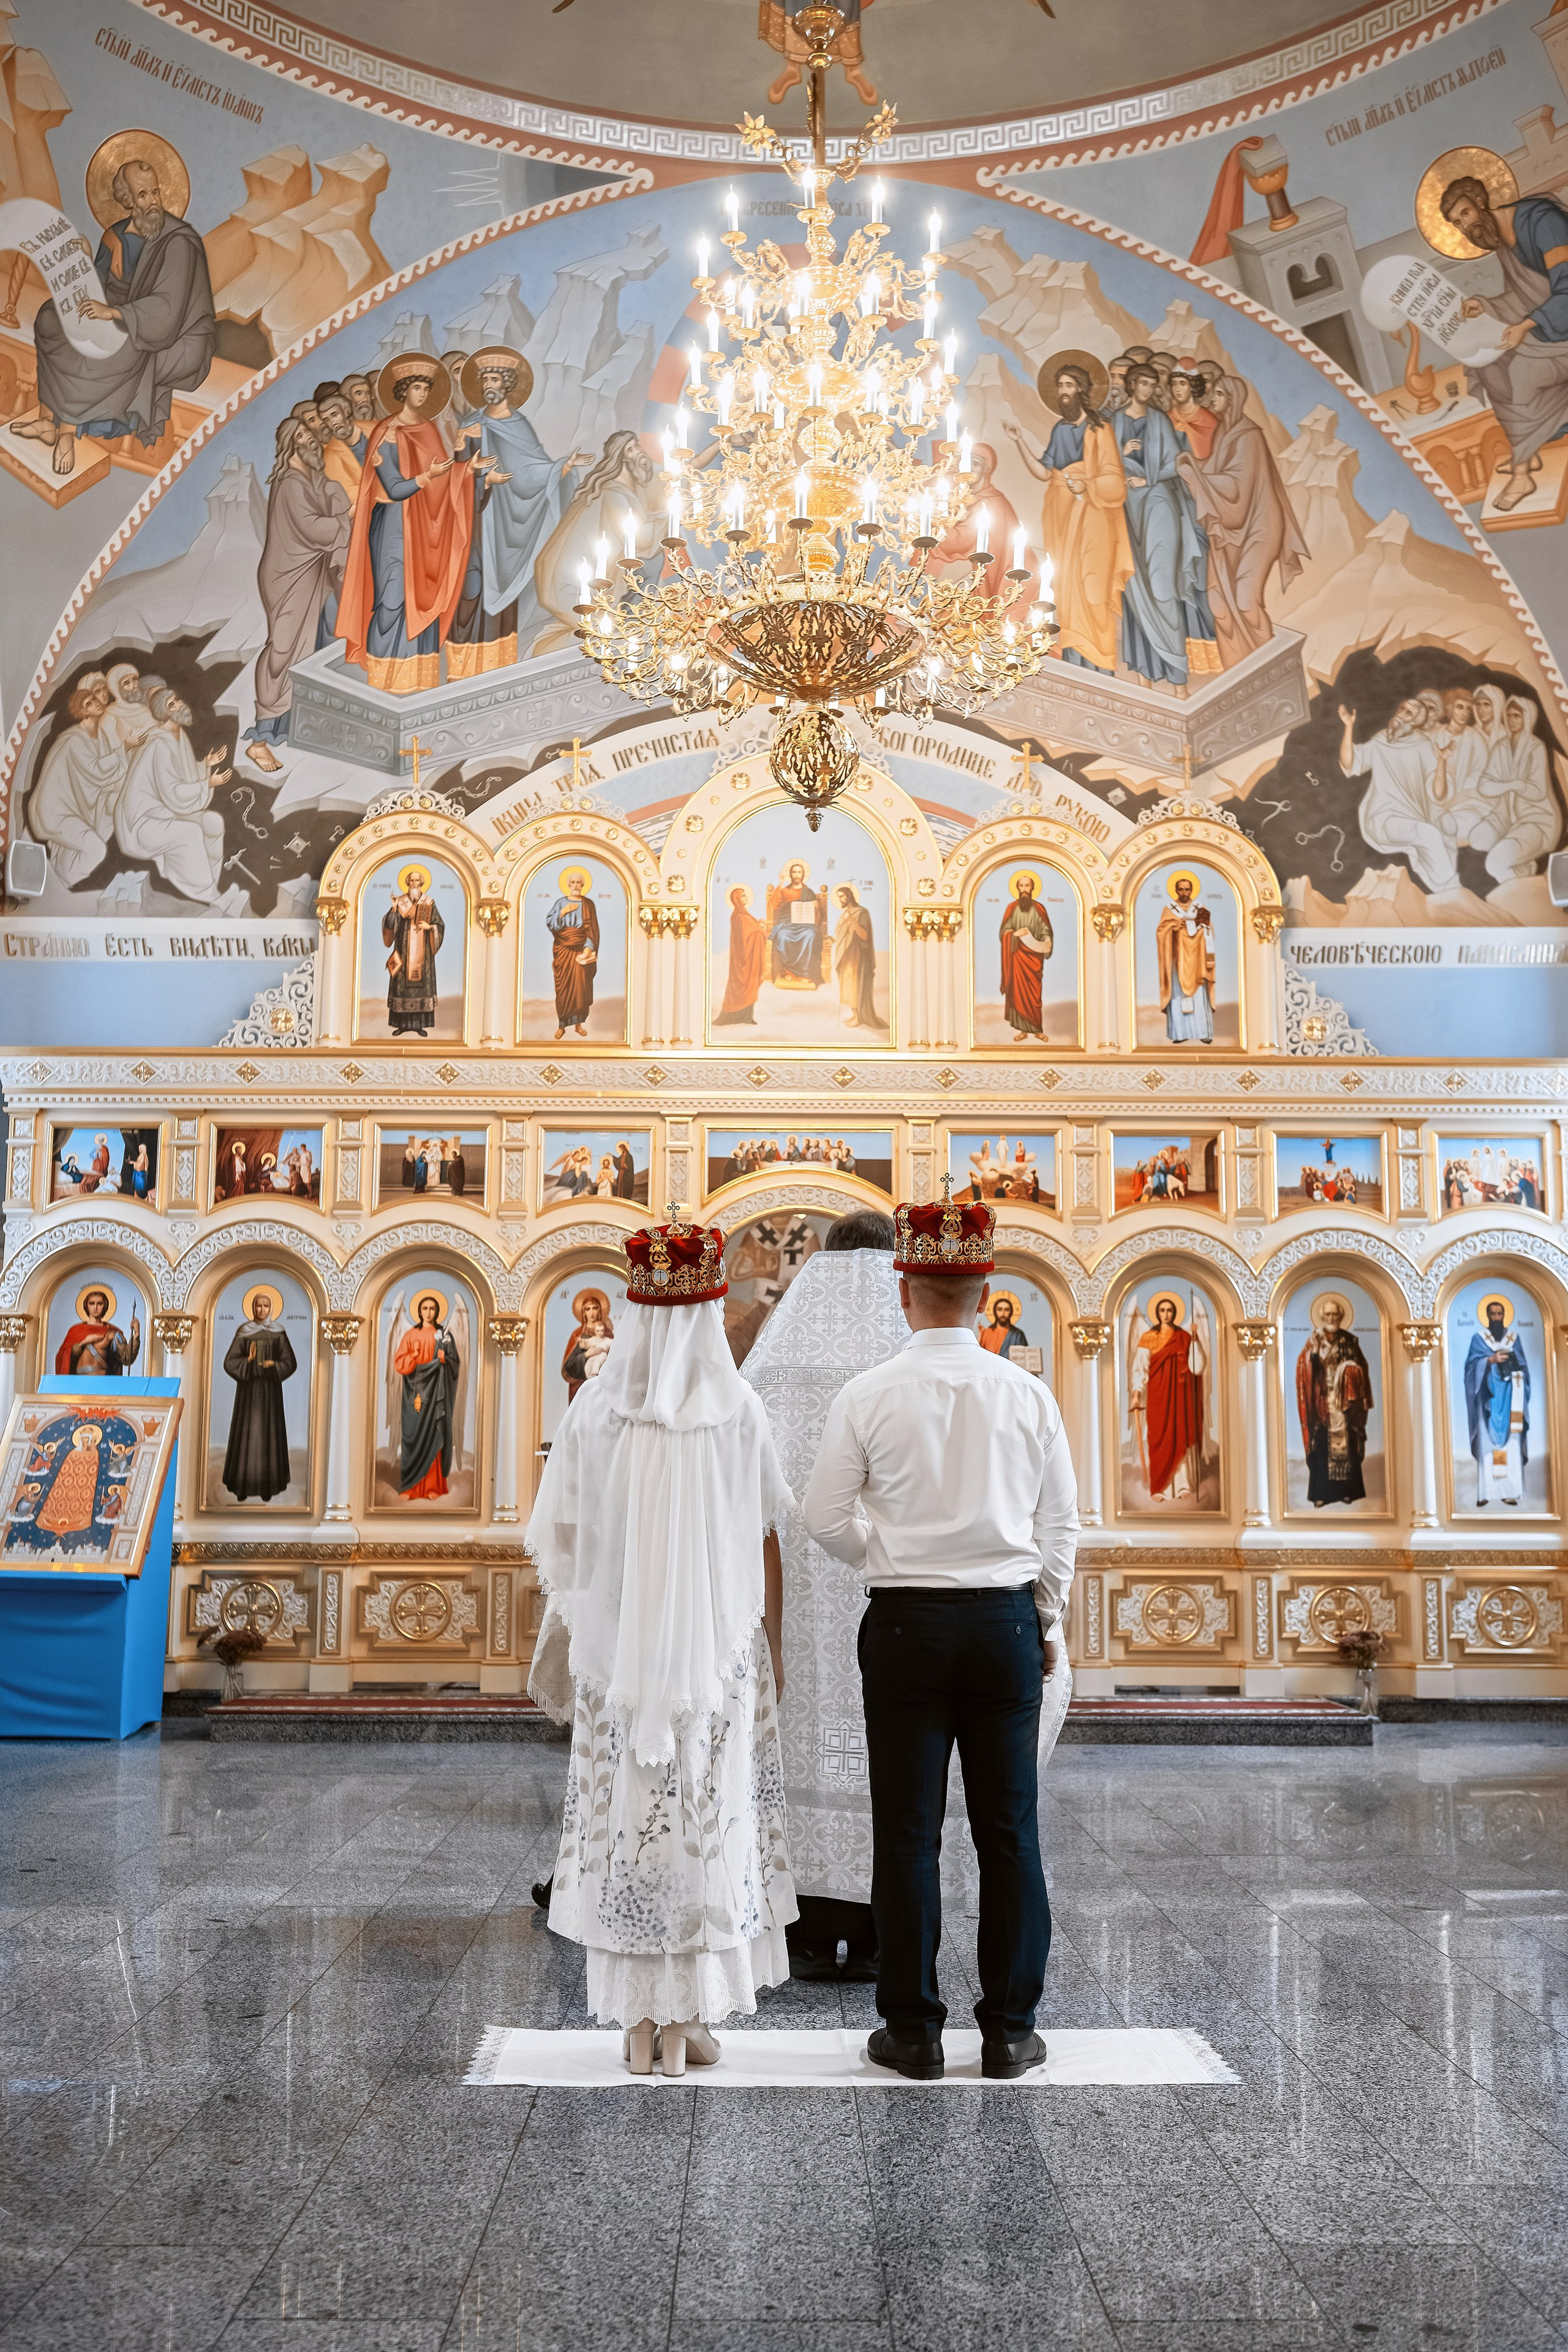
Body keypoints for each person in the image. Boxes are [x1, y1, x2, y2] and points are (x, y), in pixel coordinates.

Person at [804, 1184, 1079, 2081]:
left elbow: (821, 1516)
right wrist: (1044, 1620)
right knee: (1010, 1832)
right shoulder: (1027, 1392)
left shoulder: (868, 1393)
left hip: (906, 1625)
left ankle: (914, 2031)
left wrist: (881, 1551)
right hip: (1003, 1623)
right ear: (985, 1284)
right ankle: (1010, 2031)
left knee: (908, 1832)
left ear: (903, 1290)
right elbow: (1061, 1528)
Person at [527, 1212, 798, 2075]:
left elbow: (561, 1539)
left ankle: (641, 2027)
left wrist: (609, 1611)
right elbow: (763, 1530)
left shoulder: (593, 1413)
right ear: (710, 1316)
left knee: (630, 1824)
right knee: (704, 1821)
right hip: (715, 1662)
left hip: (619, 1662)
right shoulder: (738, 1411)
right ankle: (688, 2019)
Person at [741, 1208, 906, 1981]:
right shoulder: (912, 1351)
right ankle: (880, 1926)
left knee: (803, 1730)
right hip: (896, 1591)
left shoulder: (776, 1360)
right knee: (887, 1748)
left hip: (794, 1593)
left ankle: (805, 1923)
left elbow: (748, 1492)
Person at [15, 153, 216, 477]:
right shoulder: (117, 233)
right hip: (112, 310)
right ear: (126, 200)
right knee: (52, 319)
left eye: (155, 192)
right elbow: (98, 280)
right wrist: (84, 258)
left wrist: (114, 313)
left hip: (157, 327)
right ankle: (45, 420)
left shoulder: (179, 242)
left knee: (100, 350)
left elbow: (168, 306)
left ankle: (66, 432)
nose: (152, 201)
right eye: (141, 195)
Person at [336, 354, 481, 693]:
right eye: (416, 388)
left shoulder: (428, 430)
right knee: (392, 598)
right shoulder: (386, 433)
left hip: (427, 529)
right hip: (392, 527)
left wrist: (466, 469)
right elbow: (394, 488)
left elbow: (444, 483)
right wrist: (426, 476)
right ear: (402, 391)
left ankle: (419, 679)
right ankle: (382, 677)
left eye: (426, 389)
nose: (421, 395)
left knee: (425, 598)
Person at [448, 348, 584, 676]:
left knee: (501, 597)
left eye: (495, 379)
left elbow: (530, 470)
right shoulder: (471, 425)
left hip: (507, 523)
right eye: (485, 380)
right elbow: (457, 473)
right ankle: (461, 665)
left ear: (507, 385)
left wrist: (560, 469)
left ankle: (495, 665)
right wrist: (481, 477)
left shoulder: (519, 424)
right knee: (470, 586)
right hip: (477, 520)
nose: (488, 385)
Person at [1443, 176, 1568, 514]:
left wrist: (1525, 325)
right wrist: (1487, 306)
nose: (1465, 227)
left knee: (1522, 374)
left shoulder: (1543, 223)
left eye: (1465, 214)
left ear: (1481, 202)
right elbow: (1526, 294)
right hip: (1552, 328)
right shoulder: (1500, 238)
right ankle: (1525, 447)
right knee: (1489, 365)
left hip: (1564, 328)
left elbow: (1566, 290)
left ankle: (1522, 473)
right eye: (1457, 224)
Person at [1006, 366, 1133, 674]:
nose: (1064, 391)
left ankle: (1103, 665)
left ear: (1082, 390)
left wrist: (1088, 485)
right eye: (1060, 386)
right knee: (1066, 586)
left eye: (1069, 385)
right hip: (1061, 515)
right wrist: (1019, 440)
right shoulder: (1061, 431)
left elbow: (1115, 480)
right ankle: (1078, 662)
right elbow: (1044, 473)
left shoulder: (1100, 429)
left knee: (1093, 585)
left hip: (1095, 515)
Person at [244, 413, 352, 775]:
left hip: (314, 572)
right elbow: (311, 528)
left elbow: (334, 497)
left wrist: (340, 504)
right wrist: (344, 519)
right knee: (283, 647)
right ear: (292, 443)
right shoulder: (290, 484)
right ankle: (260, 739)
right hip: (287, 575)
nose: (315, 442)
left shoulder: (314, 479)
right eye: (307, 436)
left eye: (316, 437)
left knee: (320, 640)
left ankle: (303, 721)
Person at [1177, 374, 1307, 666]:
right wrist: (1192, 468)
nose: (1213, 400)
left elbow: (1238, 487)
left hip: (1259, 526)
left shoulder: (1249, 436)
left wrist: (1197, 473)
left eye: (1220, 394)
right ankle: (1241, 667)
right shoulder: (1225, 433)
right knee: (1219, 604)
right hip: (1229, 528)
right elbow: (1212, 471)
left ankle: (1272, 666)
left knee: (1246, 602)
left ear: (1233, 399)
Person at [1112, 359, 1219, 688]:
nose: (1146, 390)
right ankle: (1148, 674)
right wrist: (1120, 452)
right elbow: (1099, 464)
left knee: (1163, 587)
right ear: (1131, 387)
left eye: (1150, 386)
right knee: (1135, 588)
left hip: (1159, 504)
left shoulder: (1159, 420)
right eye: (1141, 385)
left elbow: (1177, 464)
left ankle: (1177, 674)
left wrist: (1147, 480)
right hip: (1125, 511)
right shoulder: (1114, 422)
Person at [115, 684, 232, 904]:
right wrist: (207, 783)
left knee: (214, 822)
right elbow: (173, 791)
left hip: (166, 812)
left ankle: (205, 886)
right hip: (143, 823)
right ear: (165, 713)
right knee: (190, 833)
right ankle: (206, 892)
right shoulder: (160, 744)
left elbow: (182, 778)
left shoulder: (179, 736)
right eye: (172, 704)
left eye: (177, 699)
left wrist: (205, 765)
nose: (180, 705)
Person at [26, 673, 124, 886]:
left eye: (97, 699)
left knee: (116, 802)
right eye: (90, 703)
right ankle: (61, 887)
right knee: (95, 850)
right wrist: (125, 748)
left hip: (81, 807)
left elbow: (107, 776)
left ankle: (62, 880)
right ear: (82, 712)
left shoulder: (99, 737)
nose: (98, 704)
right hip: (57, 811)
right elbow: (96, 770)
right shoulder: (75, 739)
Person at [1128, 1293, 1209, 1504]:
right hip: (1157, 1395)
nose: (1166, 1314)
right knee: (1159, 1439)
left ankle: (1182, 1484)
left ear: (1175, 1313)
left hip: (1180, 1396)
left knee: (1179, 1436)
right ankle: (1159, 1487)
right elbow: (1140, 1368)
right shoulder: (1148, 1337)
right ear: (1157, 1313)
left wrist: (1196, 1339)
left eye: (1170, 1310)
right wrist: (1136, 1394)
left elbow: (1197, 1367)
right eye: (1162, 1310)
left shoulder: (1184, 1336)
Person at [1294, 1296, 1373, 1509]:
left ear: (1341, 1316)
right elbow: (1304, 1368)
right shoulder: (1314, 1341)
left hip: (1344, 1402)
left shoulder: (1351, 1341)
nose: (1331, 1318)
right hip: (1322, 1402)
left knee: (1348, 1445)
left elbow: (1361, 1369)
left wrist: (1350, 1372)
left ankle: (1348, 1492)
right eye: (1328, 1314)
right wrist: (1314, 1355)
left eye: (1335, 1314)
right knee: (1321, 1446)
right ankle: (1321, 1494)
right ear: (1321, 1317)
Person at [221, 1289, 297, 1504]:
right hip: (248, 1392)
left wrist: (275, 1365)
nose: (261, 1310)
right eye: (258, 1306)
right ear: (252, 1308)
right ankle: (241, 1486)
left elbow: (290, 1362)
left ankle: (268, 1486)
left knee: (268, 1434)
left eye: (265, 1306)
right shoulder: (244, 1331)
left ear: (271, 1308)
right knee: (247, 1434)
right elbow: (230, 1362)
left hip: (271, 1393)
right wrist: (249, 1361)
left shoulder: (278, 1332)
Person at [390, 1294, 460, 1499]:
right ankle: (411, 1488)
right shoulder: (411, 1335)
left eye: (432, 1308)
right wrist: (412, 1356)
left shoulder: (444, 1334)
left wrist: (445, 1359)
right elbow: (400, 1362)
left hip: (437, 1395)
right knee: (412, 1437)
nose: (429, 1312)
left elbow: (454, 1362)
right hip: (415, 1394)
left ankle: (432, 1487)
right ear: (419, 1312)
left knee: (434, 1436)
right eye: (425, 1308)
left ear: (437, 1312)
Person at [1464, 1297, 1531, 1506]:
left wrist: (1515, 1370)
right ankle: (1487, 1492)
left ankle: (1510, 1492)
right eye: (1492, 1314)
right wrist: (1489, 1361)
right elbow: (1470, 1369)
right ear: (1487, 1316)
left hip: (1511, 1404)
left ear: (1504, 1316)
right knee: (1487, 1446)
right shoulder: (1479, 1339)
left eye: (1499, 1314)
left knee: (1510, 1447)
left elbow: (1525, 1370)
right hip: (1488, 1404)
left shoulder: (1514, 1339)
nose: (1496, 1318)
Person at [381, 865, 444, 1037]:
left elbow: (440, 925)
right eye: (412, 881)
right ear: (407, 883)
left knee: (421, 989)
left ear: (422, 884)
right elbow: (390, 926)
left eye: (418, 881)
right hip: (403, 952)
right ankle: (402, 1025)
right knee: (402, 989)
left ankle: (419, 1026)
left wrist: (430, 927)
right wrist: (394, 909)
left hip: (423, 956)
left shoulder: (429, 903)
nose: (414, 884)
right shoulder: (400, 902)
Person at [1155, 872, 1216, 1044]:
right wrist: (1175, 926)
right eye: (1181, 890)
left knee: (1199, 996)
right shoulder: (1169, 910)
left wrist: (1200, 928)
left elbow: (1210, 931)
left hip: (1197, 962)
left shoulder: (1200, 909)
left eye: (1187, 890)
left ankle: (1203, 1032)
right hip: (1177, 961)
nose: (1184, 893)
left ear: (1192, 891)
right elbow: (1161, 932)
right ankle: (1180, 1033)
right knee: (1178, 995)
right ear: (1175, 890)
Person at [998, 870, 1054, 1039]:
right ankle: (1023, 1031)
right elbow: (1004, 931)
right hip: (1017, 958)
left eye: (1027, 886)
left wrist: (1046, 940)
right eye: (1021, 885)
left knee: (1034, 995)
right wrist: (1014, 934)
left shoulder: (1040, 909)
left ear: (1032, 888)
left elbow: (1046, 930)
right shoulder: (1011, 908)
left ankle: (1037, 1029)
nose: (1024, 889)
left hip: (1034, 957)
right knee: (1018, 994)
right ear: (1017, 888)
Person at [546, 865, 599, 1038]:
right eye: (573, 882)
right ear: (568, 885)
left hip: (580, 951)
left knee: (580, 989)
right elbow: (551, 923)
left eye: (579, 882)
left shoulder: (588, 904)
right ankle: (562, 1025)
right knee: (563, 989)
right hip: (563, 950)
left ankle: (578, 1025)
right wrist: (563, 912)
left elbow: (592, 929)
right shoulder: (561, 903)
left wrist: (588, 948)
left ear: (583, 885)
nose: (576, 885)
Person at [53, 1286, 140, 1376]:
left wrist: (136, 1335)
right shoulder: (76, 1331)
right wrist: (84, 1342)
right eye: (91, 1303)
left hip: (104, 1382)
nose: (95, 1307)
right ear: (87, 1306)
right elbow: (64, 1356)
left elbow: (127, 1358)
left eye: (100, 1304)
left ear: (105, 1306)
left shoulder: (113, 1332)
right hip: (80, 1382)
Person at [766, 859, 827, 989]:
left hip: (806, 924)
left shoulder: (808, 892)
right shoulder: (785, 890)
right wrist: (781, 882)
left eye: (799, 872)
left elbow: (817, 910)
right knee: (782, 936)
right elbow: (775, 904)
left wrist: (813, 911)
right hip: (787, 924)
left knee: (810, 935)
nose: (797, 875)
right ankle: (789, 972)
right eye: (794, 872)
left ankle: (804, 974)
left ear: (803, 874)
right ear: (791, 874)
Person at [716, 882, 766, 1025]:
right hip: (747, 959)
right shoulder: (743, 917)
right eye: (743, 896)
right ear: (737, 899)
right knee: (747, 987)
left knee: (744, 988)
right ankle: (742, 1018)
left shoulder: (738, 915)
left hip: (741, 959)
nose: (746, 898)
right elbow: (753, 934)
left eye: (745, 895)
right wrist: (762, 930)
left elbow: (751, 930)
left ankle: (746, 1018)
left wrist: (758, 926)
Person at [833, 884, 880, 1028]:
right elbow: (842, 935)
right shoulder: (846, 913)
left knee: (855, 985)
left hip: (857, 955)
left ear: (849, 896)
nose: (840, 899)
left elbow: (864, 936)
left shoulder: (862, 913)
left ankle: (860, 1017)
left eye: (842, 896)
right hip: (846, 955)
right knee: (847, 985)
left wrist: (852, 921)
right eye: (838, 897)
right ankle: (854, 1014)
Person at [560, 1288, 614, 1400]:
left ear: (600, 1310)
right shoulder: (578, 1335)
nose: (592, 1312)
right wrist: (587, 1355)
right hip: (580, 1389)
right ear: (583, 1313)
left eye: (595, 1308)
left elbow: (615, 1361)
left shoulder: (608, 1334)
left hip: (602, 1388)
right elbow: (568, 1367)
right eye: (588, 1309)